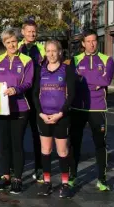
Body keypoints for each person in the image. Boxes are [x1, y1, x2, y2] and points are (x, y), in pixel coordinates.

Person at [69, 29, 113, 191]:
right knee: (75, 143)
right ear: (83, 43)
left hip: (98, 109)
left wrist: (84, 80)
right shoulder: (75, 60)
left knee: (100, 144)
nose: (92, 44)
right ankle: (73, 176)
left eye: (94, 40)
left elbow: (106, 79)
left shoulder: (107, 59)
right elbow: (73, 81)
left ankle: (101, 179)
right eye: (88, 41)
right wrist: (95, 81)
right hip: (78, 108)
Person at [32, 40, 75, 198]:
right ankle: (47, 182)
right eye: (48, 51)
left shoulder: (67, 69)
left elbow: (71, 95)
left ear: (59, 52)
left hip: (61, 117)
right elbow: (35, 94)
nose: (51, 54)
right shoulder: (40, 70)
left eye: (53, 51)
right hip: (44, 116)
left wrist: (60, 113)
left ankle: (65, 183)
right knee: (46, 150)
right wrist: (40, 113)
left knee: (62, 151)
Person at [0, 29, 34, 194]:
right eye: (8, 42)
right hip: (2, 108)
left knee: (17, 144)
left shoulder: (27, 60)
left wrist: (15, 90)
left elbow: (28, 83)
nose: (11, 45)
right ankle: (5, 176)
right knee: (4, 144)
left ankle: (18, 178)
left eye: (14, 41)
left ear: (18, 42)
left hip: (21, 107)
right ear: (4, 44)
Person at [18, 20, 45, 182]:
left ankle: (39, 167)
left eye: (34, 31)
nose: (31, 34)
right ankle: (15, 168)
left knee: (37, 134)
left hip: (36, 96)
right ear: (23, 32)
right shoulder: (17, 47)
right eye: (28, 31)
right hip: (20, 96)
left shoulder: (42, 49)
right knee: (18, 134)